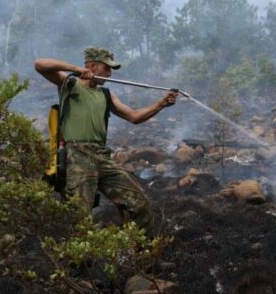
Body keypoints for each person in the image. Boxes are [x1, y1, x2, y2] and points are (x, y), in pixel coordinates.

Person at [35, 47, 177, 235]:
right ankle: (78, 263)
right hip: (76, 155)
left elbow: (134, 117)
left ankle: (140, 258)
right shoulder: (70, 84)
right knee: (80, 215)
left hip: (101, 156)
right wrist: (76, 69)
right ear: (92, 66)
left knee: (139, 203)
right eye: (106, 68)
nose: (110, 73)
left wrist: (161, 104)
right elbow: (40, 65)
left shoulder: (106, 94)